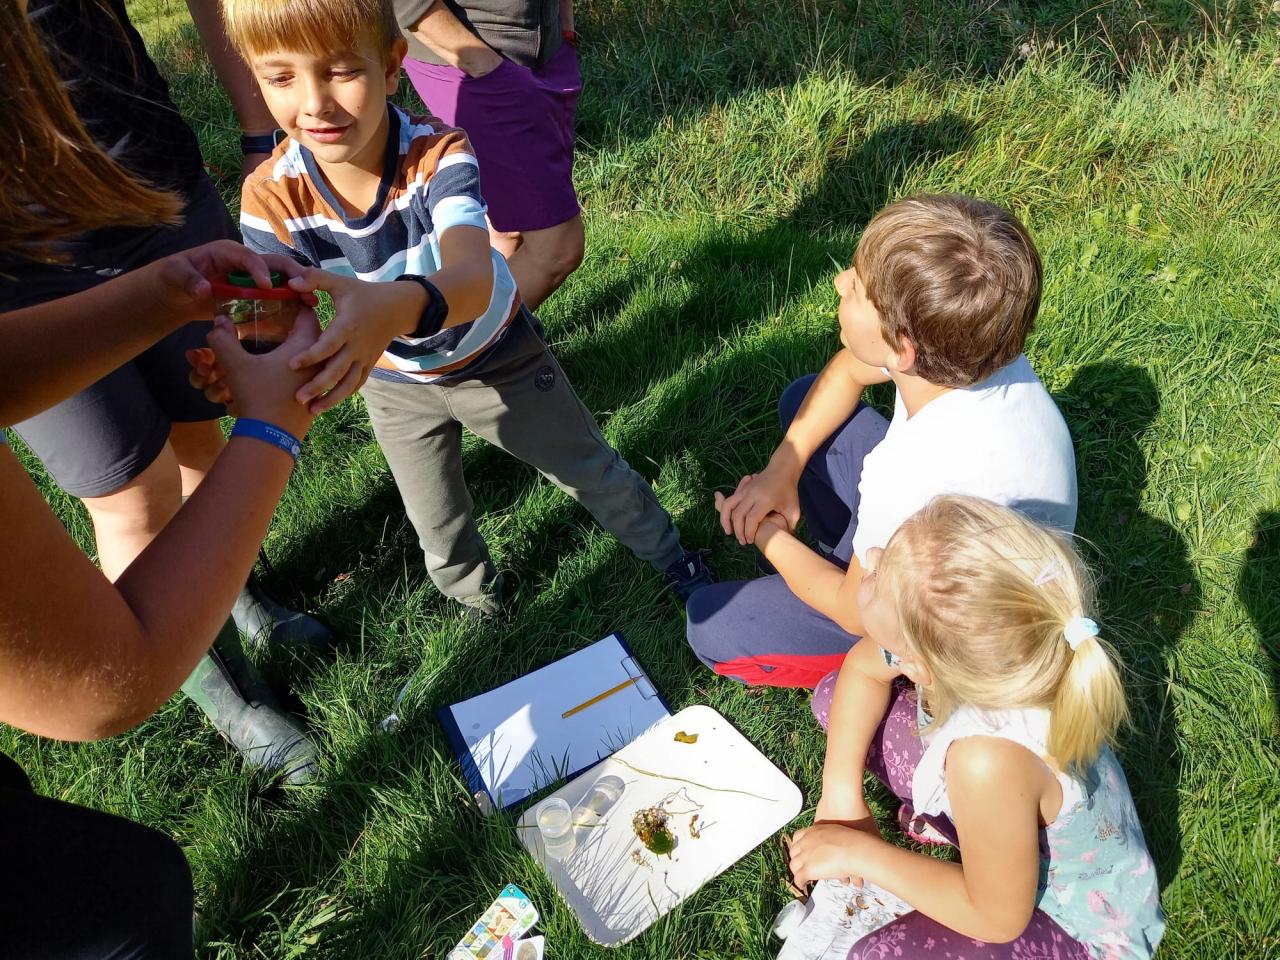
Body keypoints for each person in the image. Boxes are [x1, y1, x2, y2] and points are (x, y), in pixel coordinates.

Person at [210, 0, 713, 617]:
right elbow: (271, 322)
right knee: (436, 520)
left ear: (392, 66)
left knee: (586, 465)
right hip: (394, 385)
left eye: (341, 71)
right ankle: (477, 605)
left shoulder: (440, 153)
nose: (314, 103)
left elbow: (473, 280)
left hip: (497, 354)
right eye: (281, 77)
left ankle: (673, 557)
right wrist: (247, 361)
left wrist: (382, 315)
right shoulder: (268, 196)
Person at [1, 5, 329, 946]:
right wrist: (277, 424)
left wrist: (159, 293)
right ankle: (229, 696)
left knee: (198, 434)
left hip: (151, 177)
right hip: (22, 267)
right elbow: (99, 684)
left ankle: (228, 599)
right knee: (132, 490)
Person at [688, 195, 1077, 687]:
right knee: (806, 400)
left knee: (711, 624)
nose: (839, 282)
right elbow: (850, 369)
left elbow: (853, 610)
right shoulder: (977, 349)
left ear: (902, 349)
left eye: (856, 287)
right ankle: (844, 552)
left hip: (951, 628)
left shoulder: (911, 477)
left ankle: (895, 683)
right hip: (961, 553)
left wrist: (766, 532)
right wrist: (783, 467)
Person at [787, 495, 1166, 959]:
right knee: (835, 700)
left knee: (875, 955)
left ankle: (971, 842)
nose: (871, 557)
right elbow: (862, 669)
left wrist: (858, 853)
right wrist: (840, 793)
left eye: (880, 568)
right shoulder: (993, 643)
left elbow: (997, 917)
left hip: (1076, 926)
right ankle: (966, 832)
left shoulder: (987, 759)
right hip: (1005, 827)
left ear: (919, 666)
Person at [393, 0, 584, 310]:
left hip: (546, 51)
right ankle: (458, 340)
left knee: (506, 227)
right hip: (468, 55)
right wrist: (483, 64)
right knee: (557, 247)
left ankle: (480, 333)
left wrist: (564, 27)